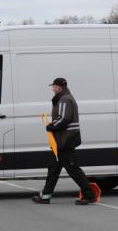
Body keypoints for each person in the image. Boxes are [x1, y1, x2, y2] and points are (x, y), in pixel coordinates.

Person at [32, 77, 96, 205]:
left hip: (66, 140)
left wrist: (51, 126)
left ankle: (89, 195)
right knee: (53, 169)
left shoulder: (64, 99)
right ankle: (45, 196)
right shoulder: (64, 98)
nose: (52, 89)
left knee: (73, 170)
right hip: (62, 140)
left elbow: (63, 118)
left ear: (59, 87)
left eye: (54, 86)